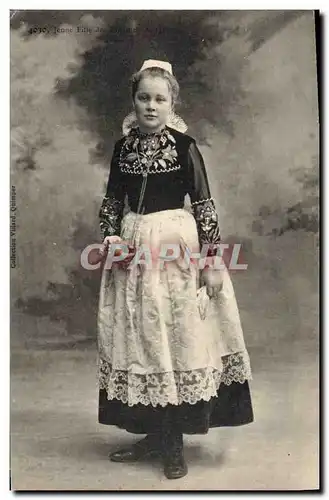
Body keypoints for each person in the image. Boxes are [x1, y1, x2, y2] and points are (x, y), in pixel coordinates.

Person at [97, 59, 253, 480]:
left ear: (172, 103)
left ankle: (174, 443)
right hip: (133, 251)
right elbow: (112, 202)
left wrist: (212, 263)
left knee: (174, 336)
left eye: (159, 99)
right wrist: (111, 237)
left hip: (175, 250)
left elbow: (204, 207)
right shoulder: (122, 148)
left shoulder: (184, 147)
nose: (151, 106)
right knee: (142, 340)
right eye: (144, 98)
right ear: (134, 101)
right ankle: (152, 433)